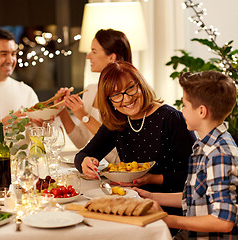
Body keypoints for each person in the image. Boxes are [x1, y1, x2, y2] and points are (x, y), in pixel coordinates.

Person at [133, 71, 238, 239]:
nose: (182, 111)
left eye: (184, 105)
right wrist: (150, 196)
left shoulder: (220, 154)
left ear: (201, 111)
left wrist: (167, 219)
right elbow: (195, 196)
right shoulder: (204, 145)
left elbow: (223, 221)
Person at [75, 61, 194, 216]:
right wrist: (85, 163)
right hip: (131, 203)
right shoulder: (117, 121)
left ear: (140, 84)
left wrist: (152, 179)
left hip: (169, 207)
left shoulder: (171, 119)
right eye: (116, 95)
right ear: (109, 100)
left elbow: (195, 175)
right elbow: (82, 155)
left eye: (130, 88)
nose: (126, 99)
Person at [56, 29, 132, 163]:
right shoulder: (90, 91)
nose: (88, 56)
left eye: (94, 51)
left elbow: (118, 150)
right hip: (95, 170)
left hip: (120, 172)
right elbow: (82, 142)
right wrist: (62, 109)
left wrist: (85, 117)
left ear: (111, 57)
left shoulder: (127, 97)